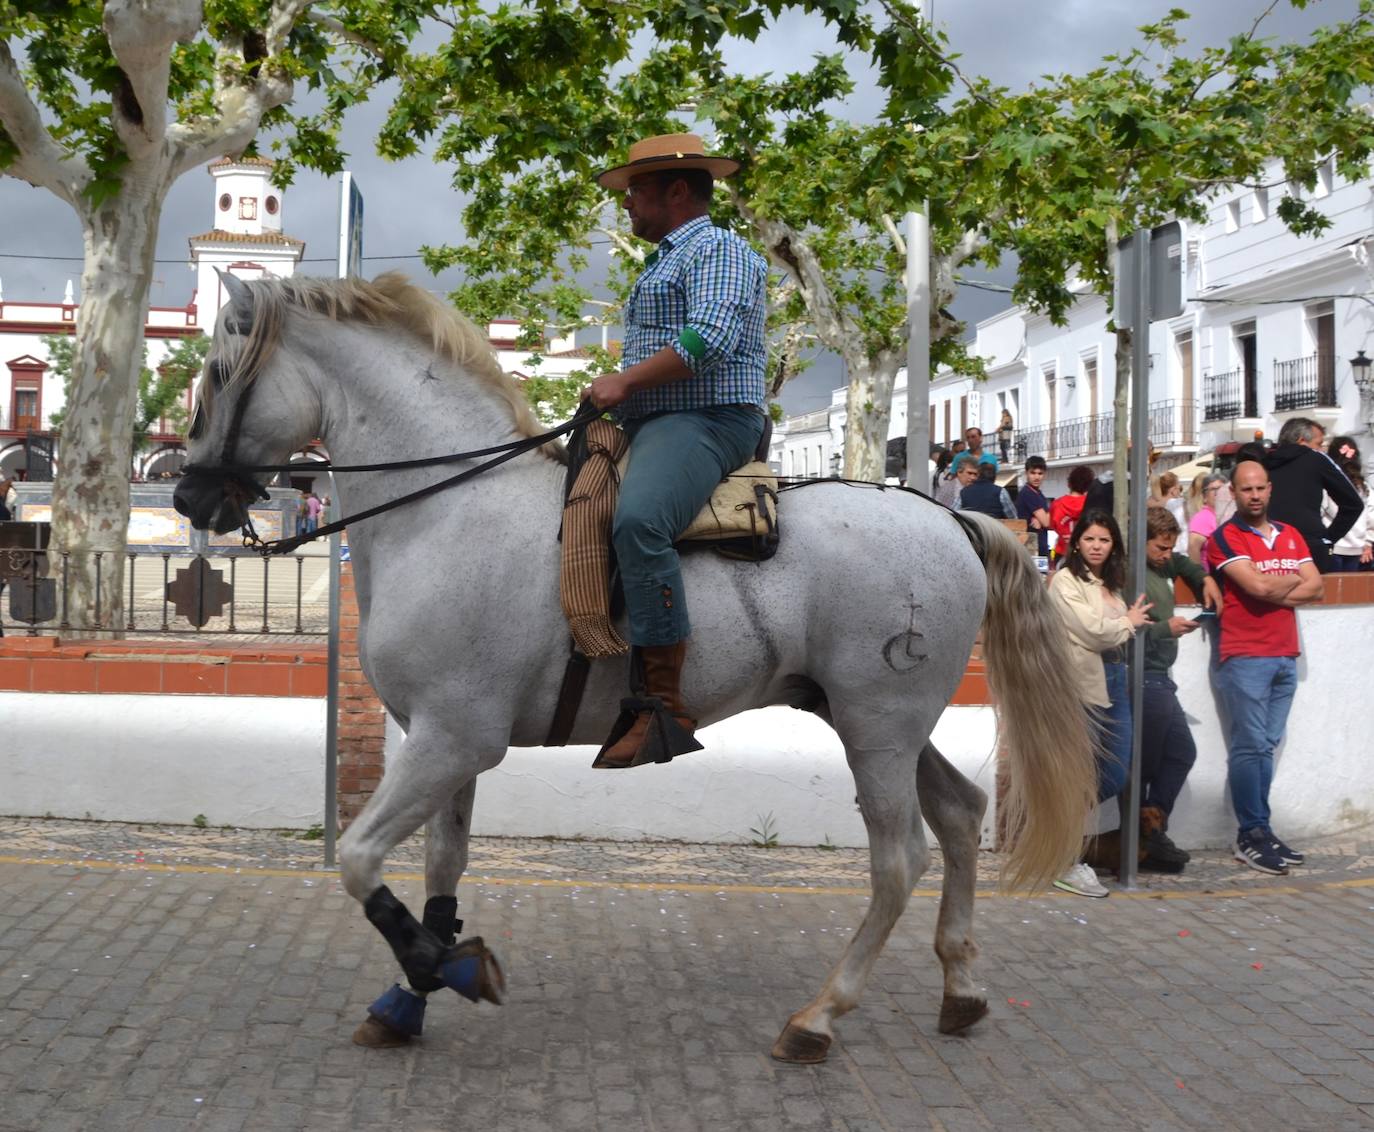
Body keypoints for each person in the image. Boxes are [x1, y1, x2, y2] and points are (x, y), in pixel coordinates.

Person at [582, 133, 767, 769]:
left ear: (678, 191)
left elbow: (709, 337)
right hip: (656, 419)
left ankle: (665, 705)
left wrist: (625, 380)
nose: (626, 202)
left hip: (706, 417)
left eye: (635, 190)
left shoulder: (717, 248)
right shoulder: (668, 258)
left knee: (639, 520)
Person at [1204, 461, 1323, 875]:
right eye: (1246, 489)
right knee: (1249, 746)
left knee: (1265, 747)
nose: (1254, 496)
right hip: (1245, 656)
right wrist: (1291, 579)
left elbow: (1318, 586)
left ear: (1270, 489)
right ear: (1233, 493)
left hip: (1285, 655)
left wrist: (1275, 585)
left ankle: (1262, 829)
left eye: (1259, 488)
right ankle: (1249, 834)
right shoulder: (1225, 537)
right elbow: (1255, 586)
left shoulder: (1290, 534)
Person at [1048, 510, 1152, 897]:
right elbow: (1093, 633)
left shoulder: (1111, 584)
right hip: (1082, 685)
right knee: (1079, 772)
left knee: (1115, 773)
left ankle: (1054, 837)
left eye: (1104, 540)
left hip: (1115, 681)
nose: (1096, 546)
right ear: (1076, 542)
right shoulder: (1065, 580)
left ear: (1113, 546)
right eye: (1090, 538)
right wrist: (1127, 622)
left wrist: (1127, 621)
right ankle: (1062, 857)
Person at [1139, 506, 1222, 872]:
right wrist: (1164, 629)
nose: (1166, 555)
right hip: (1144, 675)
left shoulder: (1160, 564)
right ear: (1141, 542)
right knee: (1146, 765)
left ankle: (1153, 830)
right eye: (1160, 547)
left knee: (1180, 753)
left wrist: (1204, 578)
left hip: (1160, 677)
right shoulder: (1131, 574)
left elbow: (1183, 564)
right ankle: (1143, 841)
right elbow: (1123, 629)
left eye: (1170, 547)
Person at [1263, 416, 1363, 573]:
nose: (1322, 449)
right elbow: (1354, 503)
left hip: (1267, 544)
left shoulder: (1263, 463)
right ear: (1302, 441)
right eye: (1319, 444)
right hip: (1309, 546)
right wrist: (1328, 538)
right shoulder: (1316, 459)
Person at [1323, 459, 1374, 572]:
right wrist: (1368, 542)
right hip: (1357, 547)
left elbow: (1320, 512)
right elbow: (1371, 518)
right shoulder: (1365, 488)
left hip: (1333, 546)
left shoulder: (1329, 485)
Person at [1049, 465, 1094, 560]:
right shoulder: (1091, 504)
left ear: (1069, 483)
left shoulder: (1056, 504)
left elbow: (1053, 526)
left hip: (1062, 552)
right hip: (1084, 553)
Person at [1186, 471, 1228, 563]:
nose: (1218, 492)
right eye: (1213, 489)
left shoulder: (1230, 515)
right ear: (1205, 497)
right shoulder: (1203, 518)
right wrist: (1199, 571)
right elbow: (1193, 548)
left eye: (1222, 488)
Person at [1016, 455, 1052, 558]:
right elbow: (1047, 522)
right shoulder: (1028, 493)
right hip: (1031, 549)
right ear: (1026, 473)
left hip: (1038, 547)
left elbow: (1046, 521)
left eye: (1040, 473)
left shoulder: (1038, 493)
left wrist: (1041, 518)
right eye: (1033, 473)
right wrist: (1046, 515)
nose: (1036, 477)